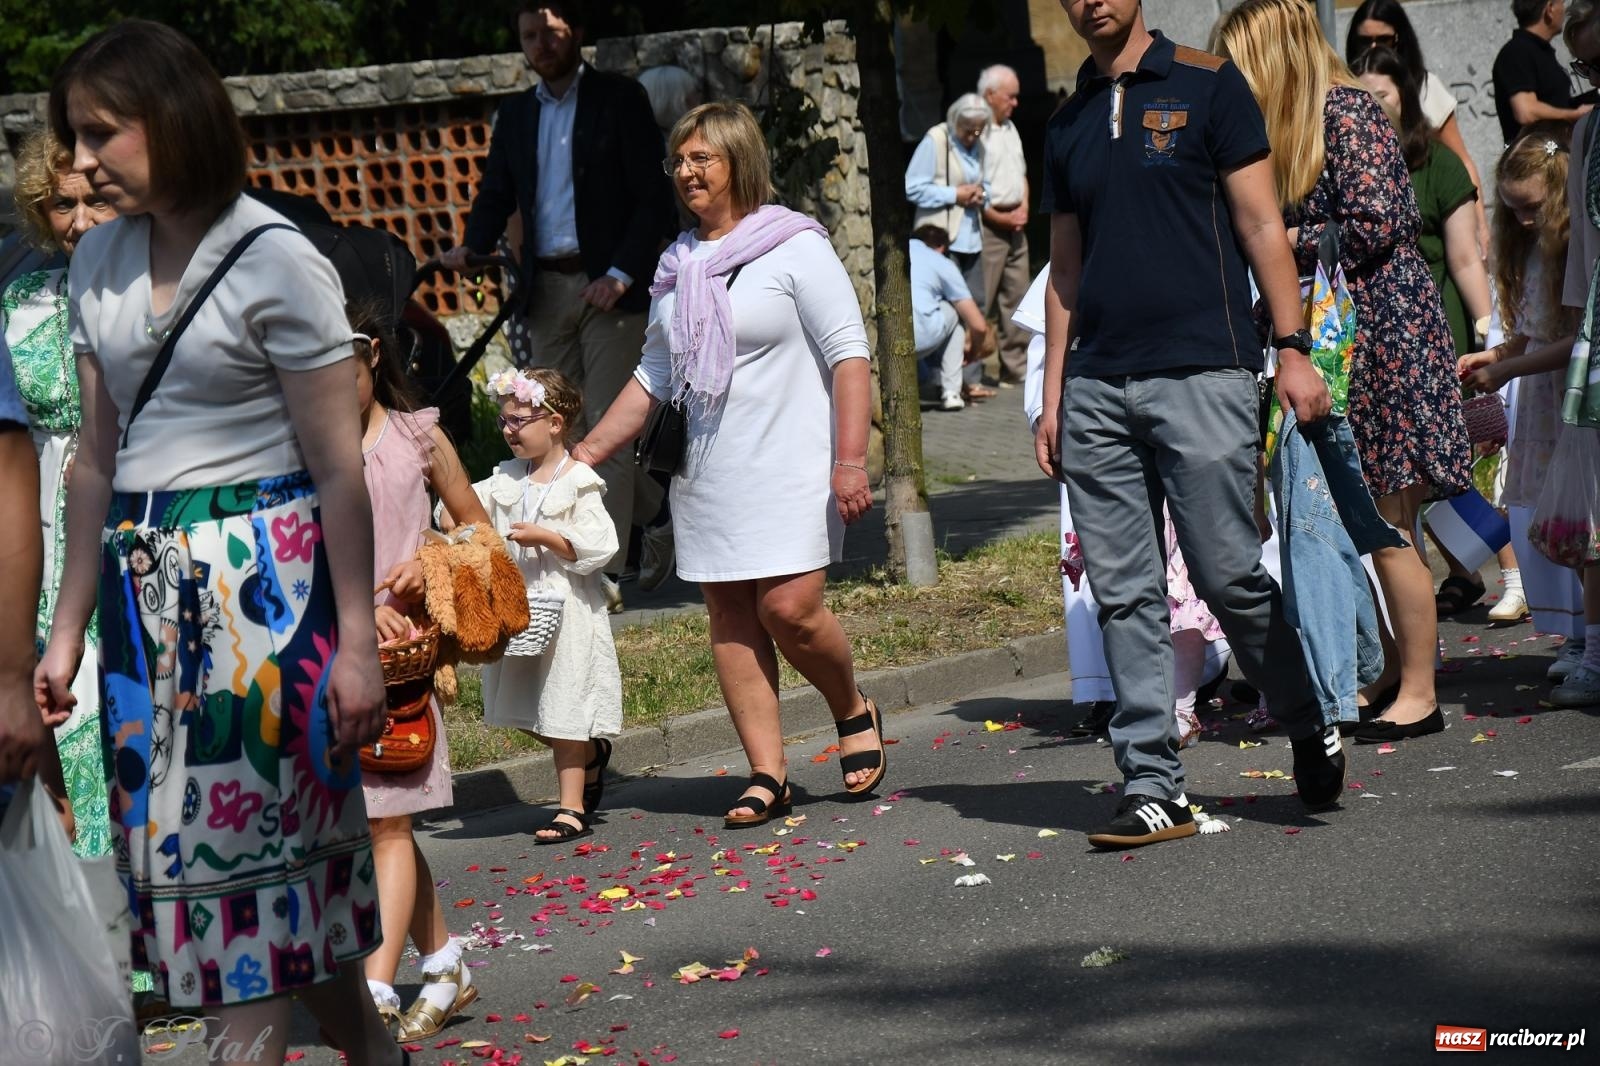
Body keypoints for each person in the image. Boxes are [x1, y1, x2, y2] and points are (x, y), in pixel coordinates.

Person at [34, 21, 402, 1065]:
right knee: (231, 887)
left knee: (246, 896)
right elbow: (93, 464)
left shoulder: (278, 258)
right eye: (74, 136)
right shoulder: (97, 256)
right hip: (144, 608)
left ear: (175, 121)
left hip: (267, 609)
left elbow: (340, 468)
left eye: (102, 133)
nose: (81, 161)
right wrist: (66, 634)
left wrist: (360, 643)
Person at [1037, 0, 1346, 848]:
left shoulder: (1209, 86)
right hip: (1099, 386)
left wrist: (1291, 347)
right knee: (1126, 592)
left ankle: (1305, 710)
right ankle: (1152, 782)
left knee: (1227, 575)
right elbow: (1064, 270)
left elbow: (1260, 224)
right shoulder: (1064, 122)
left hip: (1204, 369)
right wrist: (1054, 395)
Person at [572, 101, 883, 827]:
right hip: (709, 475)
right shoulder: (678, 263)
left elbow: (849, 355)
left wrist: (850, 462)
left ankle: (850, 705)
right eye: (677, 161)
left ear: (739, 160)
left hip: (791, 467)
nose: (684, 173)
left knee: (789, 609)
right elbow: (654, 376)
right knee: (731, 615)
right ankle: (767, 773)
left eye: (700, 158)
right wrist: (585, 453)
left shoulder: (795, 246)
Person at [1218, 0, 1474, 744]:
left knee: (1390, 517)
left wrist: (1286, 237)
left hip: (1383, 336)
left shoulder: (1347, 113)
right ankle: (1395, 669)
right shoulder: (1305, 126)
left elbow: (1380, 221)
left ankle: (1420, 691)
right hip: (1346, 336)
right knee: (1369, 520)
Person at [441, 1, 676, 613]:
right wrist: (472, 243)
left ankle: (605, 569)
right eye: (529, 35)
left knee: (606, 429)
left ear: (576, 31)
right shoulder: (515, 115)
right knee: (553, 427)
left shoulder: (619, 100)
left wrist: (623, 273)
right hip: (544, 289)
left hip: (611, 288)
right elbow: (496, 189)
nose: (541, 43)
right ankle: (656, 510)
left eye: (550, 31)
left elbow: (652, 197)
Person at [1351, 46, 1528, 623]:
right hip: (1374, 336)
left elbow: (1465, 259)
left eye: (1382, 94)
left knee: (1441, 467)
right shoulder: (1352, 164)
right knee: (1415, 478)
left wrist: (1488, 331)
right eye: (1362, 97)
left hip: (1436, 329)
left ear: (1406, 96)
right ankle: (1473, 572)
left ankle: (1512, 567)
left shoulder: (1439, 167)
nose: (1372, 107)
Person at [352, 303, 488, 1041]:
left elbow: (476, 531)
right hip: (333, 663)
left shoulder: (417, 437)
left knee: (387, 824)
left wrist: (430, 561)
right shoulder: (297, 447)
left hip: (404, 672)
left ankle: (375, 988)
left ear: (371, 355)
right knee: (376, 825)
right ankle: (443, 963)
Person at [2, 129, 120, 861]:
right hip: (48, 520)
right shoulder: (19, 300)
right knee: (71, 707)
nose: (77, 220)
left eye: (92, 200)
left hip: (143, 515)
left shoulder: (163, 288)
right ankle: (99, 914)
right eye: (58, 205)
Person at [464, 367, 621, 842]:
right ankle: (590, 756)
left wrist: (548, 537)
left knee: (566, 701)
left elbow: (600, 544)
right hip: (519, 611)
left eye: (519, 422)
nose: (509, 430)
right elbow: (463, 511)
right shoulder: (504, 479)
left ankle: (570, 806)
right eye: (505, 422)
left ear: (555, 423)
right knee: (519, 704)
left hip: (567, 607)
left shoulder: (579, 481)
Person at [1459, 127, 1590, 685]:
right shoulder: (1534, 249)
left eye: (1533, 207)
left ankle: (1591, 639)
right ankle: (1581, 632)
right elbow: (1532, 334)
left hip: (1570, 397)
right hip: (1542, 399)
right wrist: (1492, 353)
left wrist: (1508, 367)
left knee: (1583, 524)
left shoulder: (1573, 252)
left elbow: (1578, 337)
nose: (1525, 220)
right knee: (1554, 523)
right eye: (1512, 210)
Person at [1346, 0, 1489, 254]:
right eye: (1365, 41)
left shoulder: (1426, 86)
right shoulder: (1345, 89)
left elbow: (1461, 158)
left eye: (1384, 39)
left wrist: (1480, 225)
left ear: (1400, 39)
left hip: (1430, 223)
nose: (1374, 48)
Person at [907, 93, 995, 402]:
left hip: (972, 235)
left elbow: (988, 184)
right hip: (941, 238)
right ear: (954, 121)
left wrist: (981, 195)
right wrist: (953, 194)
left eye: (978, 129)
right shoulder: (936, 139)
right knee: (946, 307)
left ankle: (969, 379)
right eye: (968, 129)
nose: (973, 135)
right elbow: (911, 187)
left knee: (976, 305)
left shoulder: (980, 144)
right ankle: (938, 380)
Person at [977, 64, 1032, 388]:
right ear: (990, 95)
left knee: (1017, 296)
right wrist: (999, 216)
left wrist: (1023, 206)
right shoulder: (976, 130)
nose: (1015, 103)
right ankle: (977, 368)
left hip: (1016, 222)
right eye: (1010, 97)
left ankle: (1016, 366)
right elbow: (972, 183)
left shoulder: (1010, 128)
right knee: (982, 299)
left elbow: (1021, 173)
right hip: (991, 226)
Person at [911, 224, 989, 411]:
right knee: (955, 311)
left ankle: (923, 380)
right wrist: (973, 353)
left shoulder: (894, 251)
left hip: (884, 338)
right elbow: (978, 326)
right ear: (942, 248)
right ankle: (951, 393)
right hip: (921, 338)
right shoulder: (941, 262)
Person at [1494, 0, 1592, 143]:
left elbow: (1553, 102)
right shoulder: (1516, 52)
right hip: (1536, 160)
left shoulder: (1539, 51)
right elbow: (1526, 111)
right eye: (1562, 4)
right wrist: (1574, 114)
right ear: (1550, 9)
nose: (1564, 11)